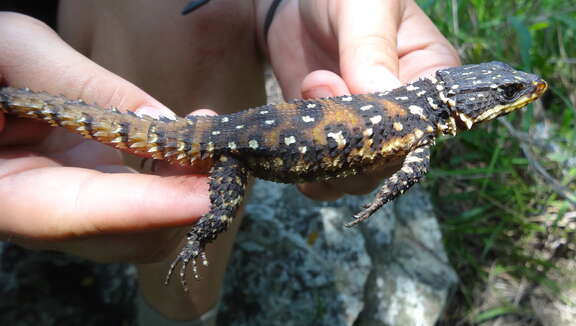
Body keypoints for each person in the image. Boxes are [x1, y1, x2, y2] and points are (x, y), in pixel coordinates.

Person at [0, 0, 459, 324]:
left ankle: (177, 307)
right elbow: (404, 178)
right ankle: (189, 266)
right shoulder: (419, 136)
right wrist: (379, 202)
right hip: (231, 149)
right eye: (504, 95)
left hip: (230, 136)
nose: (521, 94)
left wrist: (282, 6)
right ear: (465, 104)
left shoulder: (413, 116)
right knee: (213, 213)